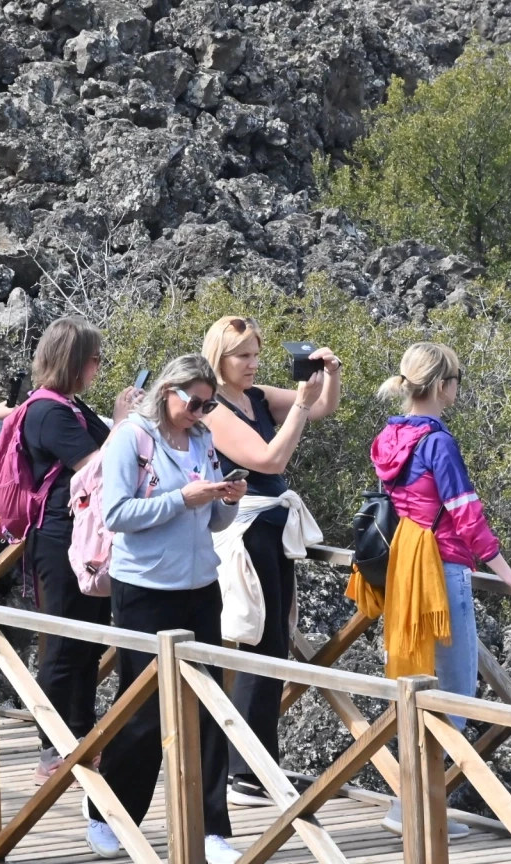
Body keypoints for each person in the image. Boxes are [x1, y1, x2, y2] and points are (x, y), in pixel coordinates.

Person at [359, 342, 511, 836]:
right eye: (457, 380)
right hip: (441, 570)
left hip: (405, 565)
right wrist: (510, 575)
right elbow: (466, 514)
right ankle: (416, 812)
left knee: (415, 685)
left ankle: (408, 805)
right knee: (455, 691)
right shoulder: (438, 443)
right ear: (444, 385)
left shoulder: (389, 436)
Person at [85, 354, 245, 864]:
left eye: (208, 405)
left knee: (210, 707)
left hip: (200, 586)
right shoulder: (131, 438)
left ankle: (210, 829)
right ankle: (109, 815)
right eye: (194, 403)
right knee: (143, 711)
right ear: (168, 391)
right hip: (145, 590)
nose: (200, 413)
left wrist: (227, 500)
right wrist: (182, 499)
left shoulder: (202, 439)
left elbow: (213, 522)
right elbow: (117, 514)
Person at [200, 316, 341, 807]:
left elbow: (321, 407)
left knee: (275, 641)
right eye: (243, 355)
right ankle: (244, 771)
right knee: (259, 642)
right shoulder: (214, 409)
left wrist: (329, 375)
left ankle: (259, 765)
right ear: (219, 358)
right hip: (248, 530)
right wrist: (300, 404)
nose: (253, 363)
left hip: (272, 529)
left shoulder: (255, 397)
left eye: (256, 354)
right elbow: (269, 460)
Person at [20, 316, 140, 784]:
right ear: (74, 362)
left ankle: (81, 737)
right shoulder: (48, 412)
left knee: (87, 641)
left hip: (83, 537)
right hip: (59, 539)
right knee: (63, 643)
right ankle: (51, 747)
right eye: (94, 359)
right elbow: (96, 467)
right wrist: (122, 421)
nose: (98, 367)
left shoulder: (70, 406)